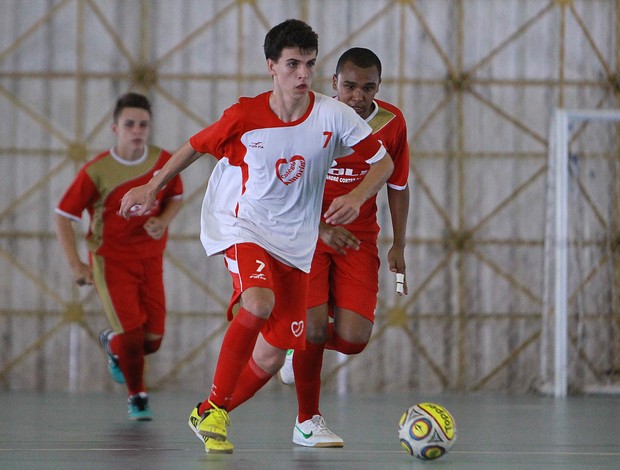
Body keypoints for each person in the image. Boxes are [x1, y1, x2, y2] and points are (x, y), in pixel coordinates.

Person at [118, 19, 394, 454]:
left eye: (309, 64)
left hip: (297, 242)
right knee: (259, 302)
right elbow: (194, 147)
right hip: (245, 227)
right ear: (271, 66)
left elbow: (384, 164)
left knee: (271, 354)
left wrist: (359, 197)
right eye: (292, 64)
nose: (302, 74)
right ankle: (223, 412)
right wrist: (152, 186)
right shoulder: (245, 115)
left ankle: (211, 409)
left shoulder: (332, 114)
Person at [277, 47, 410, 447]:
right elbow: (282, 187)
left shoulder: (391, 122)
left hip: (358, 238)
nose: (357, 96)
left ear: (378, 87)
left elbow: (398, 186)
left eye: (368, 87)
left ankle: (292, 338)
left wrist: (399, 245)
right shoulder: (310, 116)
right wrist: (317, 227)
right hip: (307, 232)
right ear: (333, 83)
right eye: (349, 86)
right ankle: (307, 421)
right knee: (314, 329)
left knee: (352, 339)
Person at [54, 92, 184, 421]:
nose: (137, 130)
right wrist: (75, 264)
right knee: (132, 333)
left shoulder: (164, 162)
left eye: (143, 124)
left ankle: (112, 343)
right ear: (115, 128)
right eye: (130, 124)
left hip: (151, 260)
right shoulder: (97, 171)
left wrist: (163, 221)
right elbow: (62, 215)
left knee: (151, 340)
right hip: (110, 262)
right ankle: (137, 396)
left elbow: (176, 196)